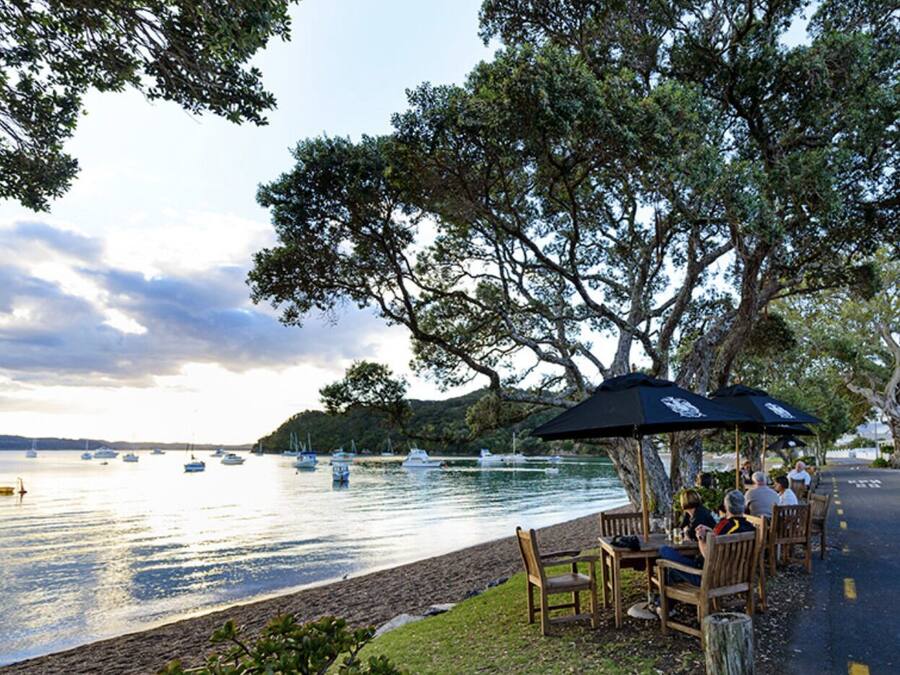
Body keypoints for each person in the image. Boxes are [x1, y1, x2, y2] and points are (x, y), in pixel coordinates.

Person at [652, 491, 754, 616]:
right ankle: (663, 606)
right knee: (672, 573)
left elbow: (707, 555)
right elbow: (722, 539)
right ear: (743, 506)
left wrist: (700, 538)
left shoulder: (724, 525)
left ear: (726, 507)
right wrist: (711, 532)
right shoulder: (751, 529)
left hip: (708, 577)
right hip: (738, 577)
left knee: (664, 551)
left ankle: (663, 607)